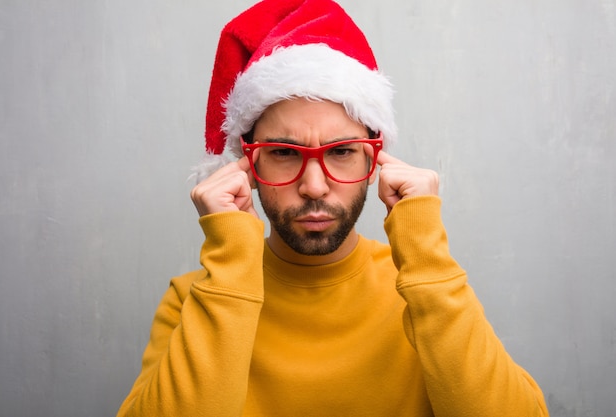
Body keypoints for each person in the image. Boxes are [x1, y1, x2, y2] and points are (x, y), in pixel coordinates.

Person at [117, 0, 549, 415]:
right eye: (284, 152)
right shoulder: (196, 297)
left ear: (373, 160)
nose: (314, 186)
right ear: (247, 164)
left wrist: (427, 259)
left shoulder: (423, 286)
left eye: (341, 150)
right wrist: (231, 262)